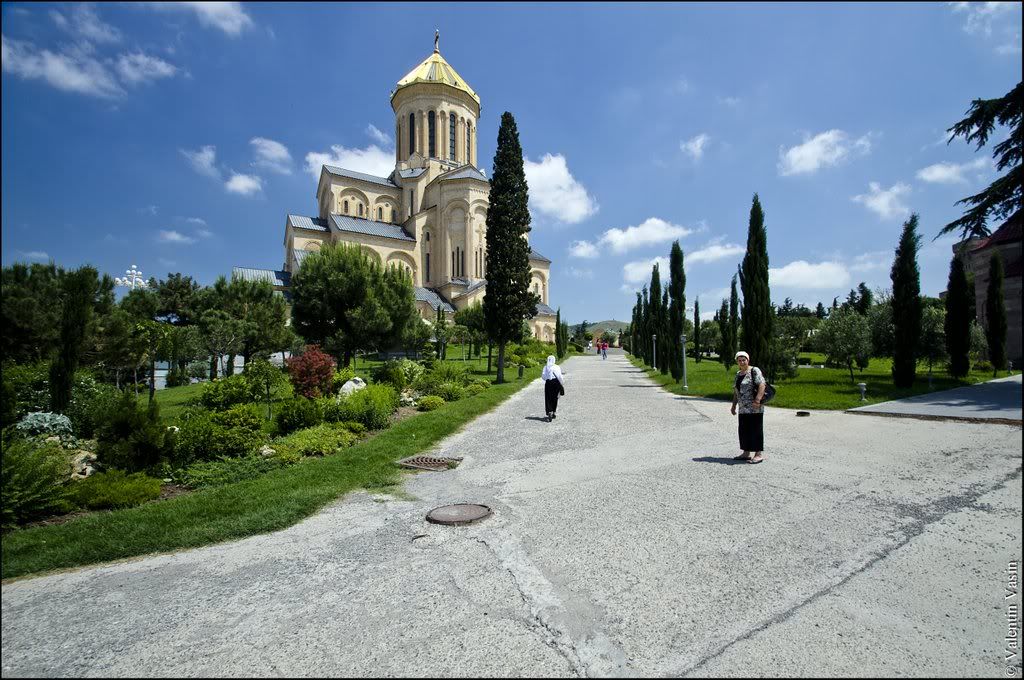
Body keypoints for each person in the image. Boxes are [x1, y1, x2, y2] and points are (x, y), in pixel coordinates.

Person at [730, 351, 766, 464]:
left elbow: (762, 384)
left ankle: (758, 454)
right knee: (744, 430)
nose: (741, 362)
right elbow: (736, 391)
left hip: (755, 407)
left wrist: (757, 400)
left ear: (748, 360)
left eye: (743, 360)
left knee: (755, 430)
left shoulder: (754, 370)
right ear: (737, 362)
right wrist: (734, 405)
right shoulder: (738, 374)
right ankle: (746, 453)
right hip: (743, 408)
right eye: (739, 360)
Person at [541, 355, 565, 422]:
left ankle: (549, 411)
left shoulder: (545, 367)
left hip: (548, 383)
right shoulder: (557, 367)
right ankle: (554, 412)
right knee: (555, 397)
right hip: (556, 383)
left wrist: (548, 378)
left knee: (548, 398)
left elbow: (543, 376)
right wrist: (562, 383)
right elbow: (560, 376)